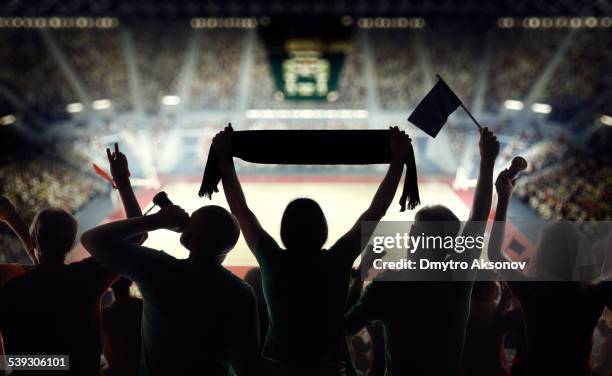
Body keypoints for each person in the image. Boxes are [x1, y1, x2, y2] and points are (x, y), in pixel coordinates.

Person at [213, 125, 411, 375]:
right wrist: (398, 161)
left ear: (285, 231)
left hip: (277, 369)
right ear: (323, 230)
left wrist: (223, 158)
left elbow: (240, 210)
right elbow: (376, 211)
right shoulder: (337, 260)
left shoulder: (272, 260)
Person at [344, 127, 500, 375]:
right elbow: (478, 218)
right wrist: (488, 160)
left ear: (414, 237)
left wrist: (360, 275)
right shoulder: (457, 278)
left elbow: (345, 326)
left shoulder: (387, 285)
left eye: (414, 230)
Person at [81, 202, 281, 376]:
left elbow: (91, 239)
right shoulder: (240, 293)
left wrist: (158, 220)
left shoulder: (158, 270)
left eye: (191, 219)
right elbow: (248, 367)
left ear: (191, 240)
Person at [0, 143, 144, 376]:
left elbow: (42, 272)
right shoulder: (86, 277)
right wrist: (122, 182)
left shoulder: (10, 284)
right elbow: (138, 234)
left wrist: (12, 217)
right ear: (70, 243)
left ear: (34, 241)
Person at [487, 168, 612, 375]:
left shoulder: (532, 291)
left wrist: (503, 198)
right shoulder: (592, 296)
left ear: (542, 253)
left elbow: (494, 254)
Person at [101, 277, 143, 376]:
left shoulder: (106, 315)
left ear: (110, 286)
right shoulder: (142, 307)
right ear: (130, 283)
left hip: (118, 370)